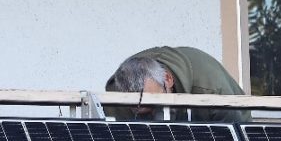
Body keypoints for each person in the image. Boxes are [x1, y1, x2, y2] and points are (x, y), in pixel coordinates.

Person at [105, 45, 251, 123]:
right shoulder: (117, 96)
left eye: (155, 104)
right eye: (142, 112)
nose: (154, 114)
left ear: (168, 79)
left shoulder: (212, 91)